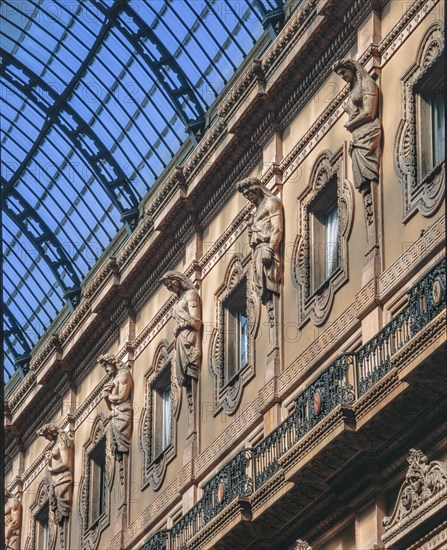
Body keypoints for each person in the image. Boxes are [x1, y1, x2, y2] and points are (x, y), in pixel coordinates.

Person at [333, 59, 382, 192]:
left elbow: (369, 113)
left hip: (369, 133)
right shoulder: (353, 89)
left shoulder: (367, 83)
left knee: (370, 174)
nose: (342, 77)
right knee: (365, 185)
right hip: (358, 137)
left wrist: (351, 123)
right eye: (340, 75)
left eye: (343, 72)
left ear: (352, 68)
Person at [236, 177, 283, 304]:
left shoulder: (271, 202)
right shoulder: (255, 213)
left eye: (249, 193)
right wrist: (251, 227)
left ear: (257, 190)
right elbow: (254, 239)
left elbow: (277, 229)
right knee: (263, 290)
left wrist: (270, 249)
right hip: (257, 252)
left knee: (271, 286)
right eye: (245, 195)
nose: (248, 197)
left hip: (266, 250)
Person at [160, 272, 202, 387]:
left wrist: (180, 324)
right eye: (168, 287)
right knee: (184, 374)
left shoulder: (191, 294)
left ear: (176, 281)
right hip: (181, 339)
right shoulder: (179, 301)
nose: (170, 289)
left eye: (170, 285)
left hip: (189, 337)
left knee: (191, 367)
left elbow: (196, 323)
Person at [36, 424, 73, 525]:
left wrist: (52, 470)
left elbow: (66, 464)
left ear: (51, 432)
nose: (47, 438)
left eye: (46, 435)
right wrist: (49, 461)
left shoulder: (61, 440)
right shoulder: (56, 443)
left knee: (64, 513)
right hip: (57, 481)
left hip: (63, 479)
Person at [99, 354, 133, 455]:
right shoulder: (114, 378)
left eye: (106, 366)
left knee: (122, 447)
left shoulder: (124, 375)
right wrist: (106, 397)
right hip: (115, 414)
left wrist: (108, 396)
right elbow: (111, 406)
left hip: (123, 412)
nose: (106, 369)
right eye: (104, 367)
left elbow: (122, 397)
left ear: (112, 362)